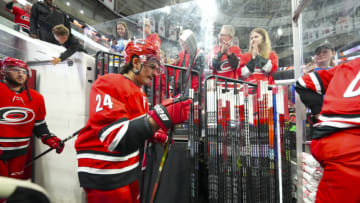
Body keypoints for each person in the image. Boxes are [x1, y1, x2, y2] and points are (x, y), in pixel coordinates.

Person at [74, 39, 192, 203]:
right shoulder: (109, 82)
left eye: (157, 68)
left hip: (127, 170)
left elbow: (133, 128)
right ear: (136, 63)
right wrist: (160, 117)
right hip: (106, 172)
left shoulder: (140, 93)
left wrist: (152, 132)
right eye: (152, 66)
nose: (155, 73)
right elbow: (115, 139)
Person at [295, 57, 360, 203]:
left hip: (330, 145)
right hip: (352, 148)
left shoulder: (348, 66)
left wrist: (319, 114)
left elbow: (303, 83)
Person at [0, 57, 64, 180]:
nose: (20, 74)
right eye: (15, 70)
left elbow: (39, 124)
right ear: (3, 71)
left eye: (24, 71)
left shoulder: (36, 97)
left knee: (11, 191)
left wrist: (49, 138)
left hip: (20, 153)